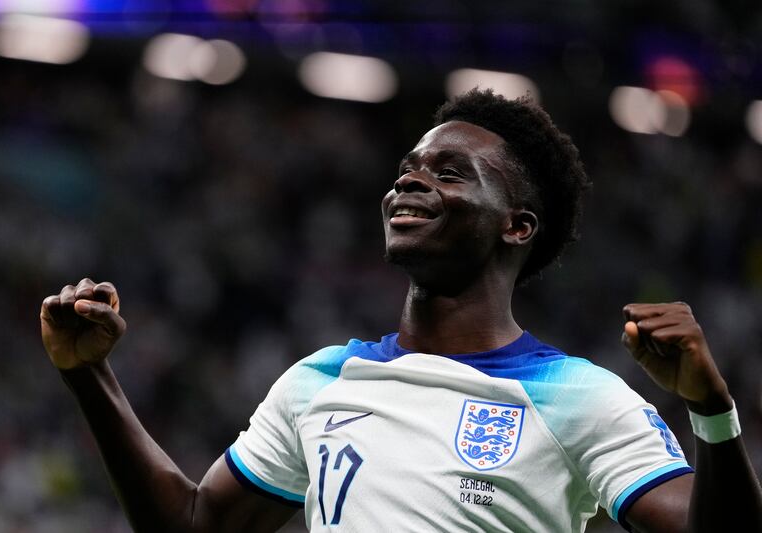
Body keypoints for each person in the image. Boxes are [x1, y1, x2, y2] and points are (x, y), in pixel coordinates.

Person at [40, 89, 762, 532]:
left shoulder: (582, 397)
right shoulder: (319, 380)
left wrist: (713, 411)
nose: (410, 181)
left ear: (517, 225)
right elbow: (195, 524)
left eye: (449, 172)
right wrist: (89, 376)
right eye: (408, 169)